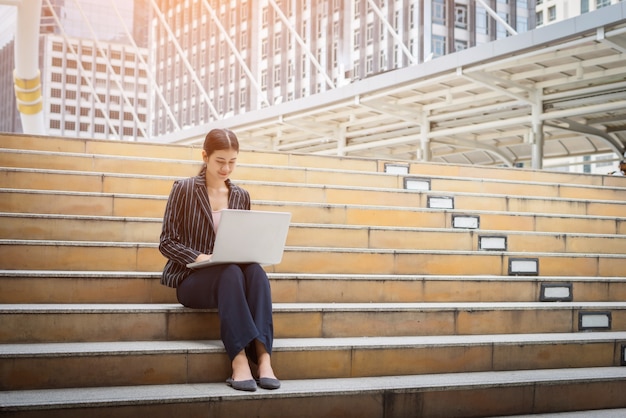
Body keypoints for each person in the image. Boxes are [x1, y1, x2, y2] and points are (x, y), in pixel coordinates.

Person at [159, 128, 280, 392]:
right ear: (205, 156)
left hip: (232, 277)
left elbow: (243, 243)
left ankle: (263, 357)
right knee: (230, 272)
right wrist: (201, 257)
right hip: (192, 280)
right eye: (220, 161)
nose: (227, 168)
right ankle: (238, 360)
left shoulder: (241, 196)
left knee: (256, 272)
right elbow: (167, 241)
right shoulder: (184, 189)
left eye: (232, 162)